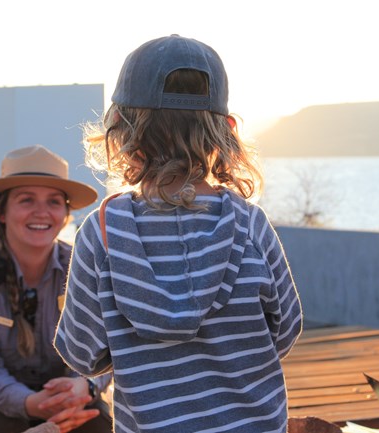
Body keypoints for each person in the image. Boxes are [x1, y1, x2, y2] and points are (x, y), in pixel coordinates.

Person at [54, 35, 303, 433]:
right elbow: (285, 330)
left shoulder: (102, 232)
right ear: (227, 130)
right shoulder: (249, 223)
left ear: (120, 127)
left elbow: (82, 354)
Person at [0, 144, 112, 433]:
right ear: (2, 213)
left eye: (54, 202)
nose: (42, 212)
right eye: (26, 200)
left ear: (65, 215)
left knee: (96, 420)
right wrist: (31, 403)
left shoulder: (85, 267)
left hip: (65, 395)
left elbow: (99, 352)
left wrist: (83, 387)